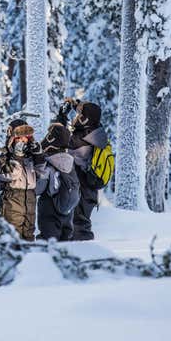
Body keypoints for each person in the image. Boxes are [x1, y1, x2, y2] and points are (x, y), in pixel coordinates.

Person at [55, 99, 108, 241]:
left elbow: (58, 140)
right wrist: (76, 106)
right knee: (77, 224)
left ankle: (84, 255)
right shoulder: (94, 132)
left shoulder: (83, 137)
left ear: (85, 119)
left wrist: (61, 117)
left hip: (82, 188)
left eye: (79, 114)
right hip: (86, 188)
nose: (75, 117)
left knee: (79, 227)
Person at [0, 119, 45, 241]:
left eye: (25, 138)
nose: (23, 141)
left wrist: (38, 155)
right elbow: (10, 174)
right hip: (12, 202)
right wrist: (17, 157)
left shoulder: (30, 156)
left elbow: (42, 174)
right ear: (12, 139)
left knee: (29, 235)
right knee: (13, 237)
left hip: (30, 200)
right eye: (19, 138)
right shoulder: (5, 157)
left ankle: (29, 259)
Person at [36, 123, 81, 242]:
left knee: (48, 246)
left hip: (49, 209)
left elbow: (38, 189)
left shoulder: (48, 161)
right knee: (64, 247)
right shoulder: (69, 161)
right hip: (67, 211)